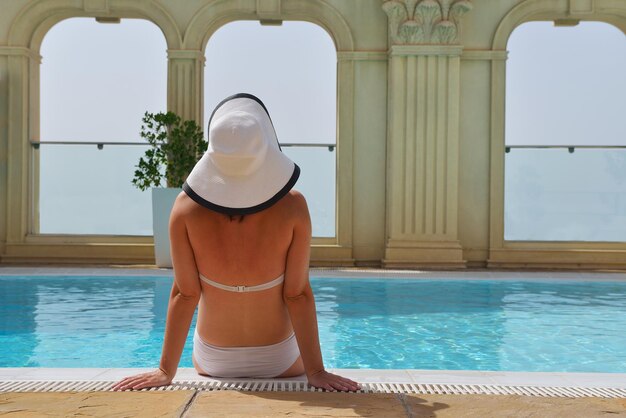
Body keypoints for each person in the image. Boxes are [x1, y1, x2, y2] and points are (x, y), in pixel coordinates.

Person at [113, 93, 359, 392]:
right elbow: (297, 295)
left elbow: (184, 294)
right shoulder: (293, 207)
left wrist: (166, 370)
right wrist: (316, 372)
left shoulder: (184, 209)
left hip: (214, 361)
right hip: (280, 359)